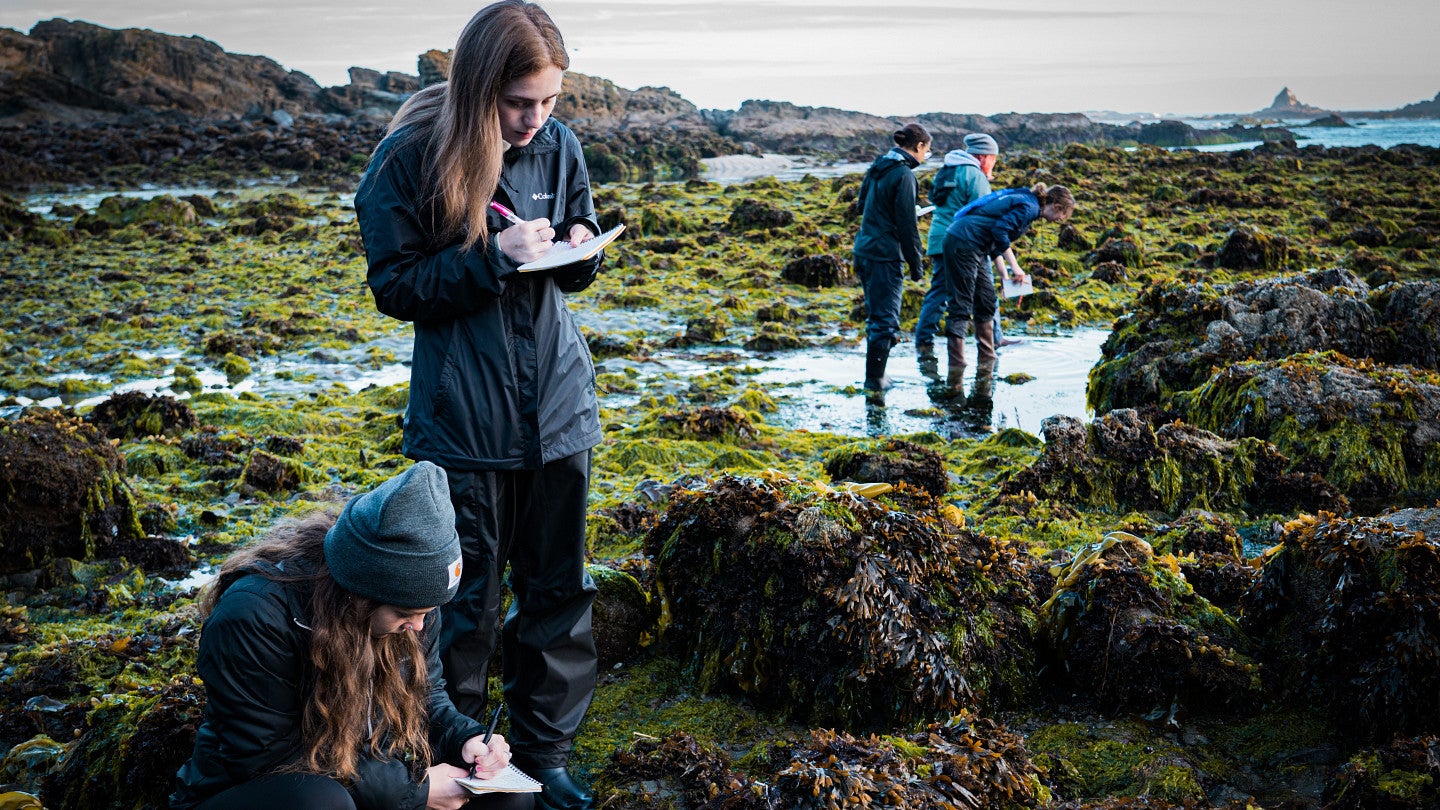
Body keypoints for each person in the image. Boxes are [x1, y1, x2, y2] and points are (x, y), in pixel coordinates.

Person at [353, 3, 602, 808]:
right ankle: (456, 759)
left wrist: (576, 246)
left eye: (551, 102)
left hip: (559, 407)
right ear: (477, 86)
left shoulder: (558, 144)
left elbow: (577, 252)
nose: (536, 121)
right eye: (519, 102)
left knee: (559, 588)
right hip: (464, 418)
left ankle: (543, 751)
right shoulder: (410, 158)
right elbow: (396, 289)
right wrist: (492, 256)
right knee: (461, 603)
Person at [171, 462, 531, 810]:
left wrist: (465, 739)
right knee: (322, 803)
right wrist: (413, 792)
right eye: (406, 613)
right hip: (262, 790)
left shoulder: (412, 606)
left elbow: (426, 696)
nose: (419, 626)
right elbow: (269, 754)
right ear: (360, 594)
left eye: (427, 611)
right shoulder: (254, 615)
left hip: (366, 777)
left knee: (508, 797)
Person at [942, 182, 1076, 370]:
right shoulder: (1029, 207)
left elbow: (995, 241)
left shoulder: (1029, 205)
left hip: (977, 245)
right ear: (1057, 207)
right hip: (963, 241)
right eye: (1063, 215)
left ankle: (987, 358)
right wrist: (1016, 267)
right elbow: (1000, 231)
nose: (1060, 220)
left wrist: (1005, 276)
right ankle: (956, 365)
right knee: (961, 304)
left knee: (987, 301)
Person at [852, 122, 931, 391]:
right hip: (886, 255)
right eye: (926, 151)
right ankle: (876, 379)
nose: (924, 157)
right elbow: (907, 225)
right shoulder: (905, 176)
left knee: (876, 317)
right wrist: (916, 265)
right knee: (885, 322)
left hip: (864, 249)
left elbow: (861, 205)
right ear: (919, 146)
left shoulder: (878, 166)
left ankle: (875, 376)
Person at [915, 133, 1000, 355]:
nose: (994, 163)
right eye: (993, 158)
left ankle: (923, 341)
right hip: (965, 243)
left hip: (938, 238)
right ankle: (995, 339)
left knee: (939, 292)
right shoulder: (975, 176)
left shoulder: (947, 169)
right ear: (983, 156)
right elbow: (984, 215)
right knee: (985, 289)